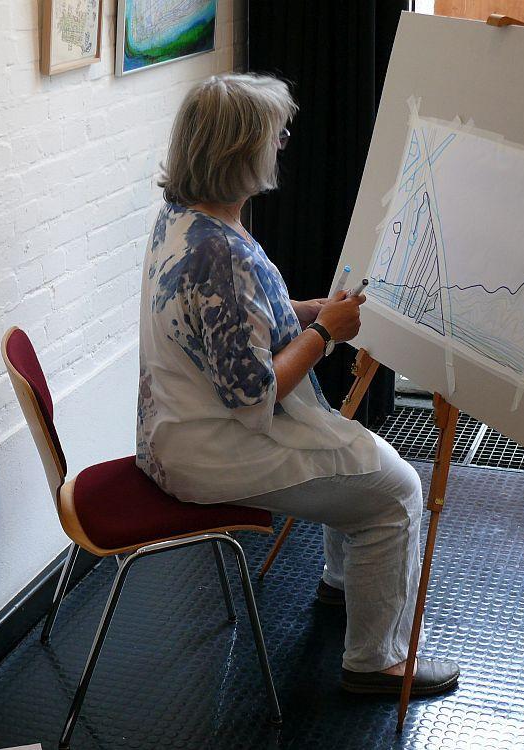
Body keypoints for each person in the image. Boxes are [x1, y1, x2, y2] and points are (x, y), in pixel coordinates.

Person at [136, 73, 459, 696]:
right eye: (274, 135)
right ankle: (376, 663)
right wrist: (325, 333)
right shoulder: (222, 254)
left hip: (171, 433)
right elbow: (254, 396)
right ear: (241, 152)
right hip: (212, 451)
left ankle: (344, 584)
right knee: (395, 491)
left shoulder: (180, 220)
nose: (282, 144)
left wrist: (309, 312)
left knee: (360, 456)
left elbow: (236, 328)